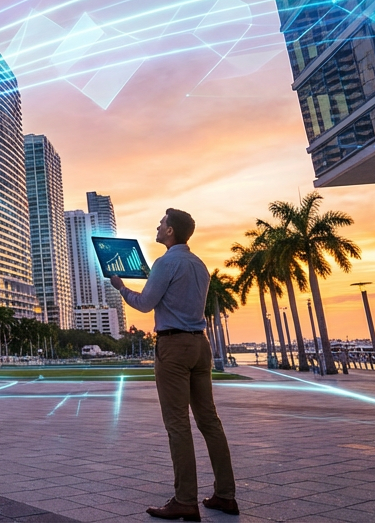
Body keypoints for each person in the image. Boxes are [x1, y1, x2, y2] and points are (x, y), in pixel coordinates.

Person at [111, 209, 238, 521]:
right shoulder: (199, 265)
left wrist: (121, 287)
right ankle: (226, 494)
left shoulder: (166, 262)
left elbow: (144, 303)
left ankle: (185, 500)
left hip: (173, 346)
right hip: (200, 345)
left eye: (161, 223)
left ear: (170, 232)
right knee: (209, 421)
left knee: (178, 424)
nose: (157, 226)